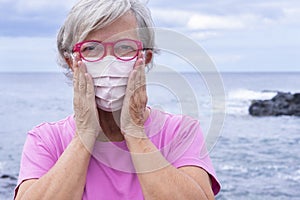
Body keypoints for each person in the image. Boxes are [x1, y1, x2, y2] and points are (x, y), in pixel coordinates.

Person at [15, 0, 221, 199]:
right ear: (71, 61)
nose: (108, 62)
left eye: (124, 47)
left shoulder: (179, 133)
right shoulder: (47, 139)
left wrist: (135, 133)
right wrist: (84, 136)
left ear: (145, 58)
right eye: (91, 48)